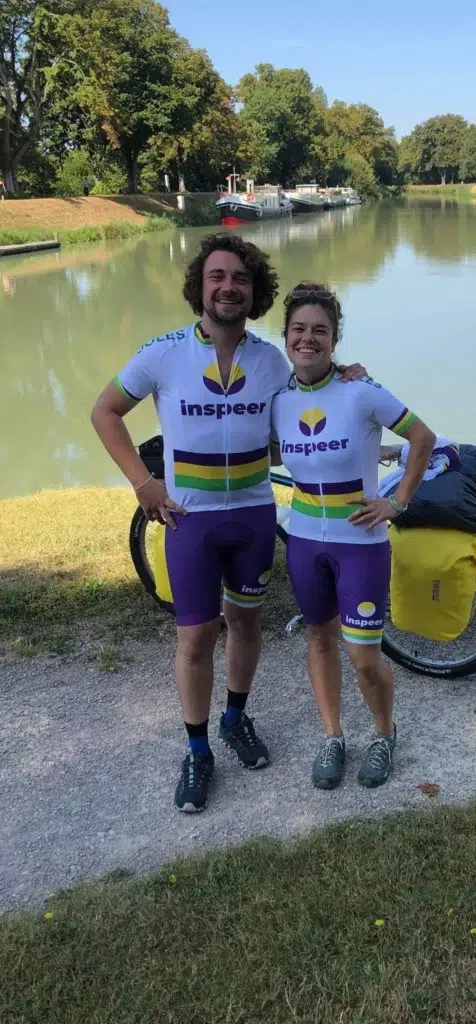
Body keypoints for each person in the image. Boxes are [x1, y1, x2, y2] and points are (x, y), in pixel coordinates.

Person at [90, 234, 365, 813]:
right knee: (195, 637)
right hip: (188, 520)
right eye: (217, 276)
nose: (228, 287)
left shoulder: (271, 360)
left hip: (252, 516)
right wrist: (143, 481)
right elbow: (104, 410)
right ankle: (197, 751)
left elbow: (311, 402)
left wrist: (347, 378)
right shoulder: (164, 353)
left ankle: (235, 717)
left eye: (239, 278)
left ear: (254, 289)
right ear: (201, 286)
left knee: (245, 626)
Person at [271, 284, 435, 789]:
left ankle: (384, 733)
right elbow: (275, 453)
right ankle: (332, 736)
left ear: (334, 338)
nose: (308, 338)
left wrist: (398, 502)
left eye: (320, 330)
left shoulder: (360, 390)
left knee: (364, 655)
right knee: (319, 640)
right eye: (299, 329)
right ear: (286, 336)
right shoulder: (278, 399)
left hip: (360, 544)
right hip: (304, 541)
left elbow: (421, 438)